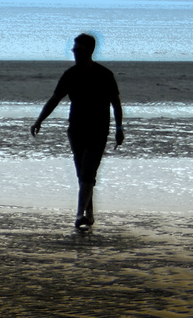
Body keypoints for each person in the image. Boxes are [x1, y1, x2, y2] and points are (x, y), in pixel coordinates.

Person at [31, 33, 124, 231]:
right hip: (76, 130)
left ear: (90, 51)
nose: (75, 53)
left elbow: (115, 103)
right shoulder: (70, 74)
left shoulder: (104, 74)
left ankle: (80, 214)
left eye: (79, 50)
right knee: (82, 173)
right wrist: (40, 120)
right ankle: (88, 213)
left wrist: (119, 128)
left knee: (88, 171)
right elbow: (55, 99)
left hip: (98, 130)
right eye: (74, 50)